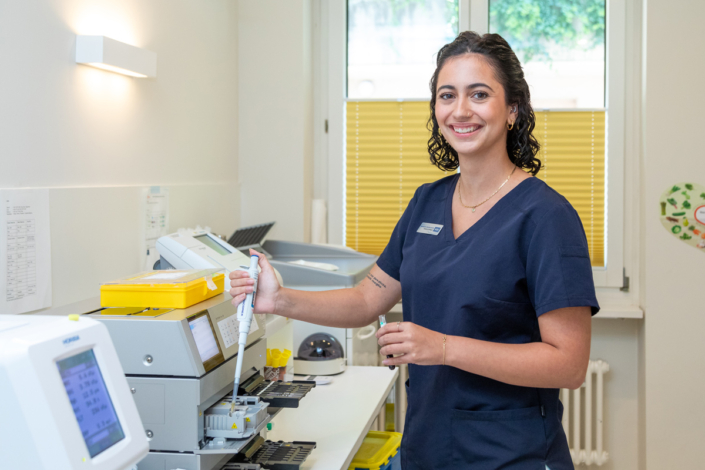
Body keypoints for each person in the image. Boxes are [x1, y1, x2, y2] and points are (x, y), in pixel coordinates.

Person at [230, 31, 598, 470]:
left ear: (513, 108)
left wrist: (443, 347)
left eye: (479, 94)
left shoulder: (546, 216)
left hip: (510, 453)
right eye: (447, 95)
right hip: (428, 444)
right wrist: (280, 300)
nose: (460, 110)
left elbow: (569, 365)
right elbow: (368, 298)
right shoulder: (427, 201)